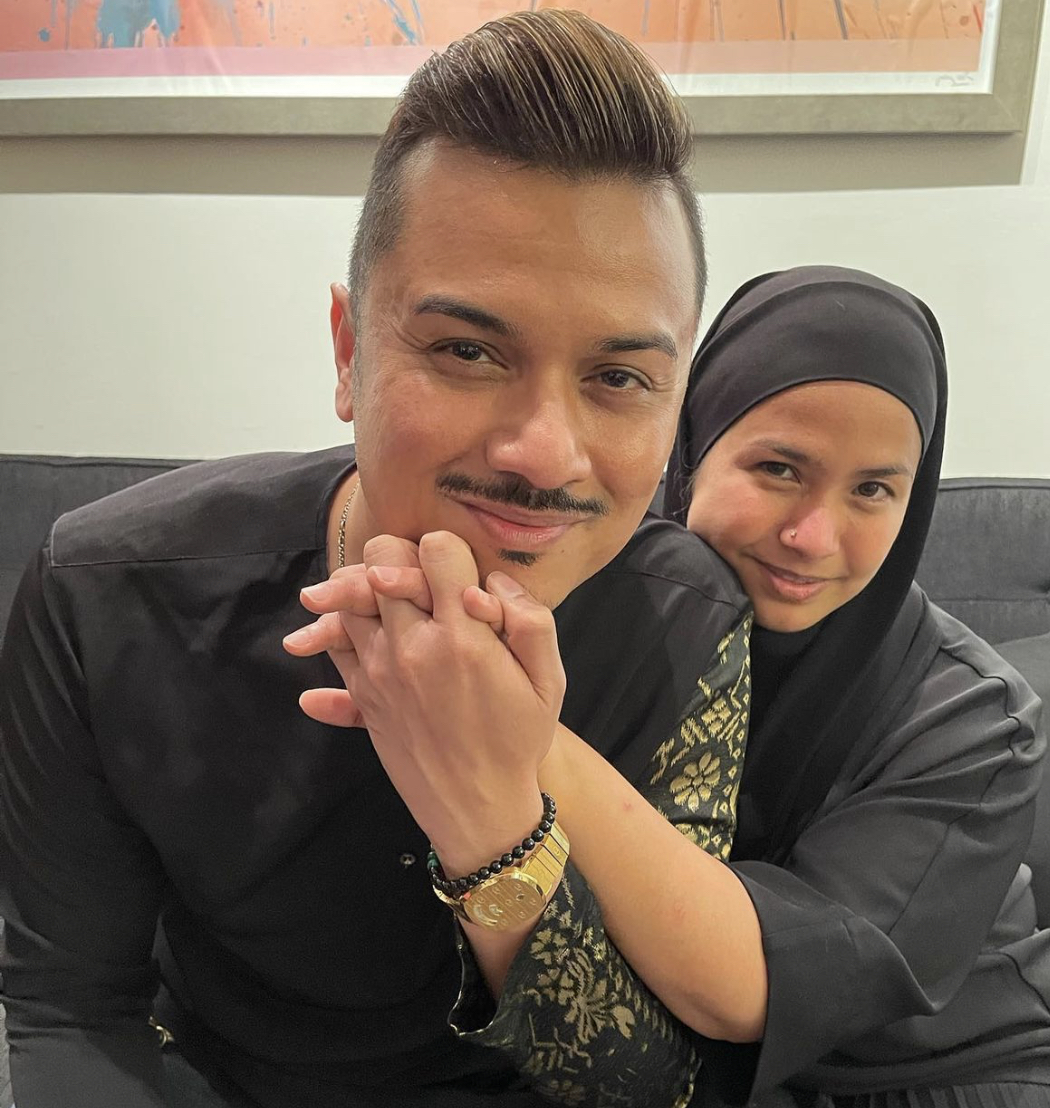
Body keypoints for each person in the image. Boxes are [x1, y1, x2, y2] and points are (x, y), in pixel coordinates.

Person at [0, 11, 757, 1108]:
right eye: (467, 350)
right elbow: (70, 1008)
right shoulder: (106, 596)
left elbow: (652, 1082)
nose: (544, 453)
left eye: (617, 378)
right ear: (349, 351)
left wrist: (493, 824)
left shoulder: (689, 624)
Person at [661, 265, 1050, 1105]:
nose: (814, 536)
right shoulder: (605, 621)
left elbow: (781, 981)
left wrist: (529, 749)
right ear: (690, 447)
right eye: (778, 468)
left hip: (960, 1074)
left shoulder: (977, 717)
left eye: (873, 489)